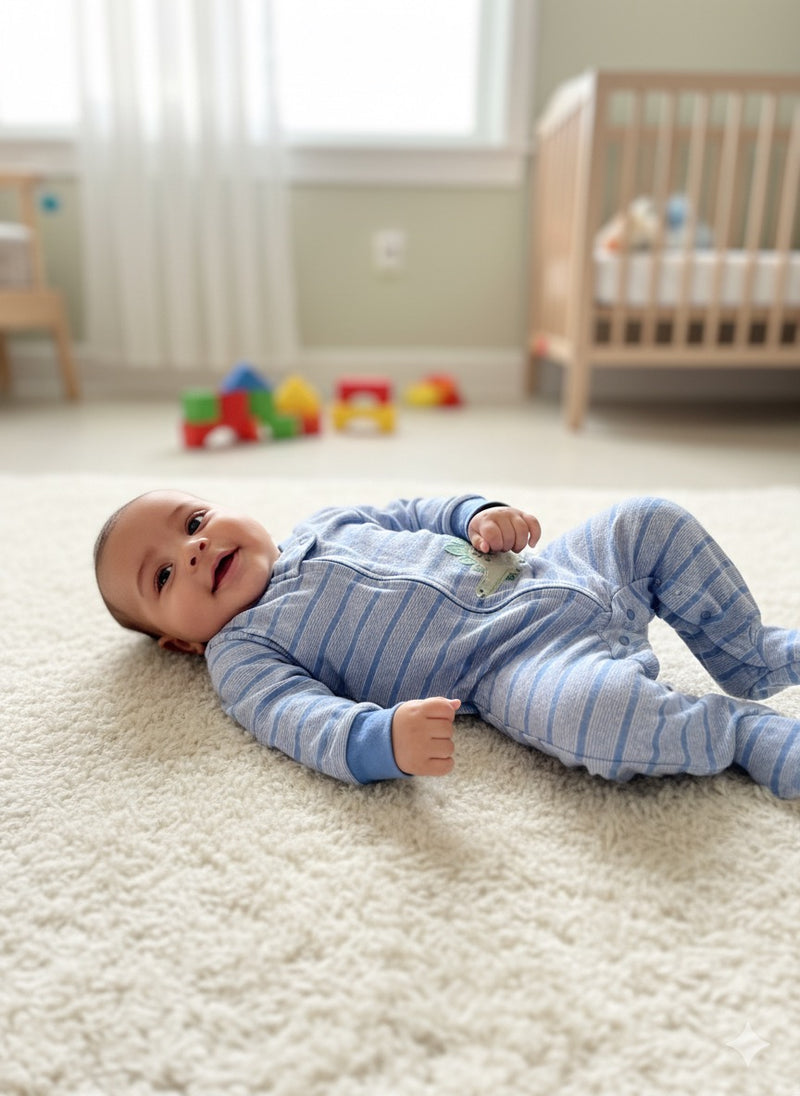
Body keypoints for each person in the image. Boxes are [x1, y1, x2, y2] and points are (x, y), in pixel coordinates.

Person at [94, 489, 800, 796]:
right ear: (179, 646)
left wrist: (478, 514)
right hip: (514, 662)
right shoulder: (242, 655)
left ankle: (750, 653)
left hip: (560, 566)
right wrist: (380, 740)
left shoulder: (323, 523)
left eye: (194, 520)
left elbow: (415, 510)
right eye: (161, 574)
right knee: (602, 718)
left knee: (650, 519)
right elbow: (298, 721)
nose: (193, 550)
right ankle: (739, 734)